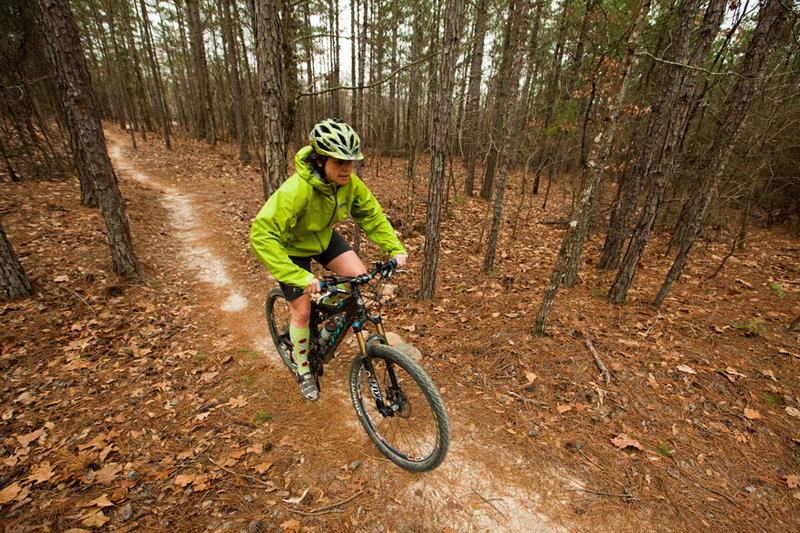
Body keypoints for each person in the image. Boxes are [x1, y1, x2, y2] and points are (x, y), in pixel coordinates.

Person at [250, 118, 407, 402]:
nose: (348, 168)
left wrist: (394, 248)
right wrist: (301, 278)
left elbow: (371, 215)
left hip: (322, 238)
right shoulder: (296, 191)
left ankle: (326, 331)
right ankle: (303, 369)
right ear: (320, 160)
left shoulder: (350, 184)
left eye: (352, 161)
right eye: (339, 162)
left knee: (357, 277)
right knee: (302, 311)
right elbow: (261, 235)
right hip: (291, 247)